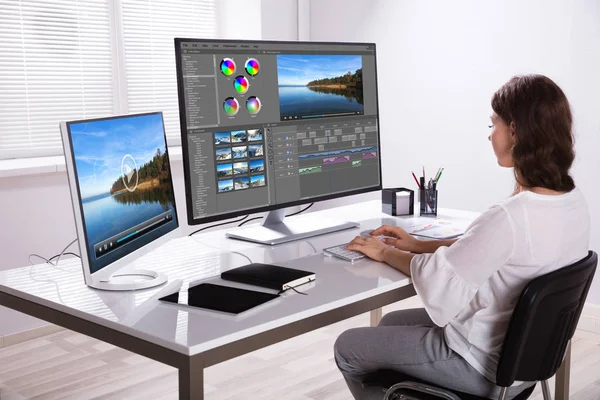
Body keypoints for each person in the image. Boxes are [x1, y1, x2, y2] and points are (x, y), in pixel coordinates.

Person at [334, 74, 590, 400]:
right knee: (391, 323)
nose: (489, 136)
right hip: (526, 360)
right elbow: (484, 250)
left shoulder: (511, 217)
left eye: (493, 125)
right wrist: (417, 244)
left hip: (480, 365)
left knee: (348, 346)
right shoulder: (571, 201)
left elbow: (440, 280)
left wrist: (384, 253)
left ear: (516, 131)